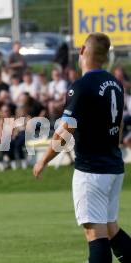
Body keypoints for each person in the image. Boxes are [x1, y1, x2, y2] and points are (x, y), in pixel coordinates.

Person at [33, 33, 131, 263]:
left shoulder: (82, 85)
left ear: (84, 52)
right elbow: (119, 124)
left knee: (95, 233)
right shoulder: (115, 83)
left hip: (92, 170)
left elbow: (65, 129)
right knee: (110, 228)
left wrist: (43, 160)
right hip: (113, 166)